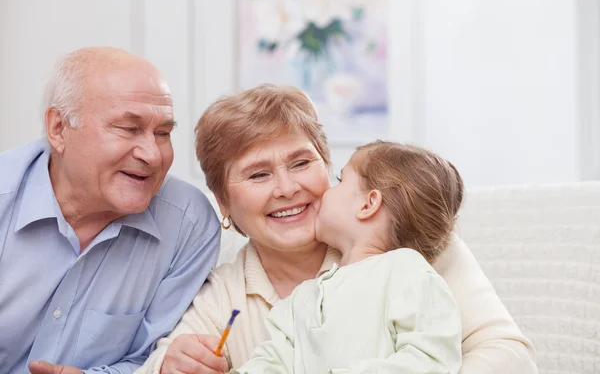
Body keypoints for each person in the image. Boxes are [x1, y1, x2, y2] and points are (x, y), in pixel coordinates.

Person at [136, 84, 538, 374]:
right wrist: (168, 364)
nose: (287, 188)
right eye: (258, 175)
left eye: (300, 163)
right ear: (223, 203)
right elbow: (161, 360)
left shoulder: (414, 246)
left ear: (327, 165)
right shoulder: (223, 295)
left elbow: (508, 355)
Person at [0, 47, 221, 374]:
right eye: (129, 129)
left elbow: (156, 360)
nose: (153, 155)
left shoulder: (189, 224)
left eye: (163, 133)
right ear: (59, 129)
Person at [234, 141, 464, 374]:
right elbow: (272, 361)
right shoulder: (302, 298)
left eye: (340, 180)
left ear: (368, 204)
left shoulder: (408, 271)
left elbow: (432, 360)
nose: (326, 192)